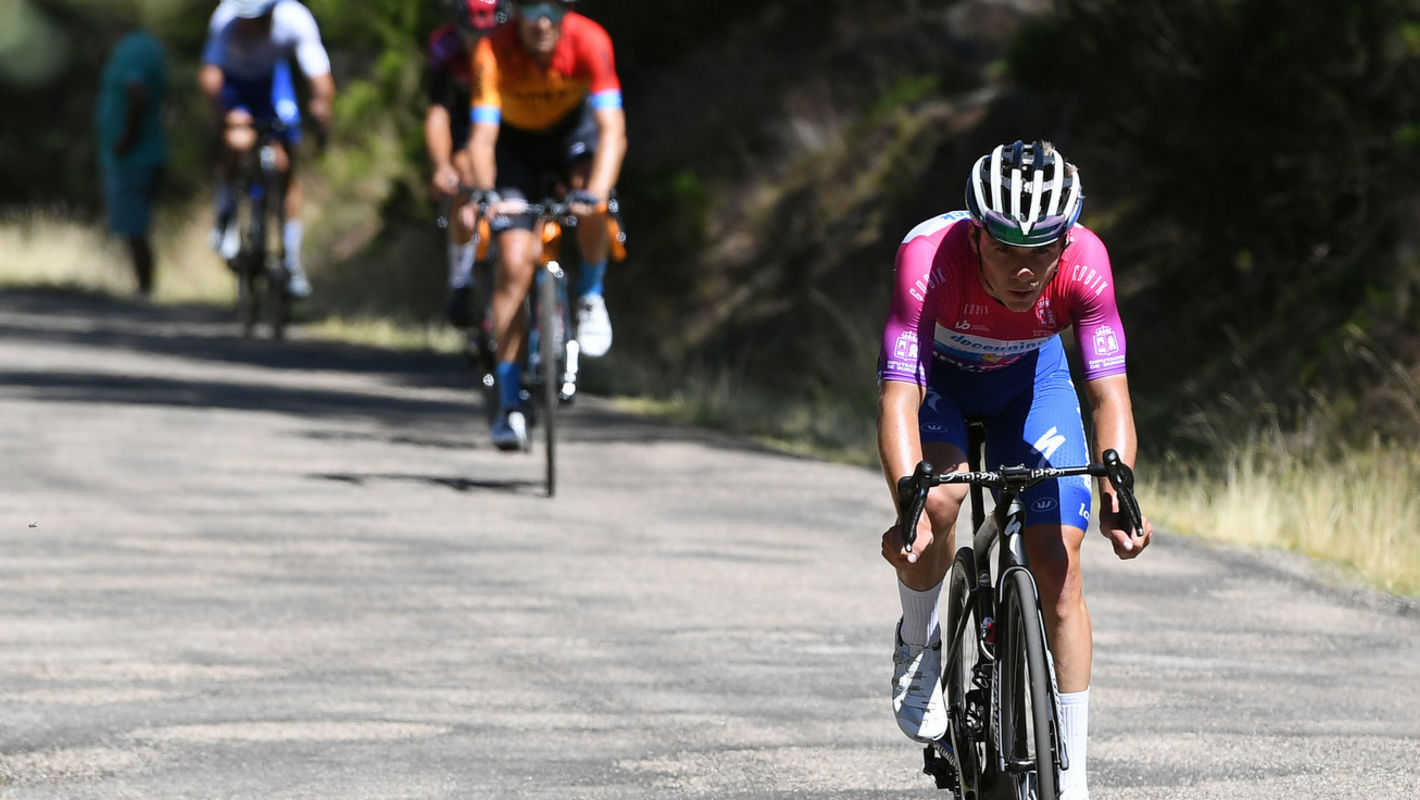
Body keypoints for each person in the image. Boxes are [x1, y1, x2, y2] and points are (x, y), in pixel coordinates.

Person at [877, 140, 1154, 800]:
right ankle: (919, 641)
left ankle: (1074, 779)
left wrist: (1119, 488)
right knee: (938, 508)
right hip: (941, 387)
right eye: (1005, 249)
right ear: (976, 235)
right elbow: (899, 395)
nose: (1025, 270)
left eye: (1041, 252)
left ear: (1066, 239)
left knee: (1058, 566)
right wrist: (908, 508)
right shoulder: (927, 259)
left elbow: (1110, 395)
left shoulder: (1087, 264)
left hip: (1030, 387)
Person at [462, 0, 627, 450]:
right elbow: (482, 136)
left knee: (595, 201)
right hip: (515, 150)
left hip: (573, 138)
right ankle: (510, 403)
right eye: (530, 7)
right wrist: (487, 191)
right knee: (513, 263)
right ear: (514, 12)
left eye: (551, 8)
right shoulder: (492, 51)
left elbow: (612, 129)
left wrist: (597, 192)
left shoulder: (590, 40)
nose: (541, 20)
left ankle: (590, 296)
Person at [199, 0, 334, 300]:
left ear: (272, 13)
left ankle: (292, 259)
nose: (247, 26)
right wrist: (222, 115)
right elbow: (210, 75)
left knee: (286, 164)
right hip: (234, 85)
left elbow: (319, 75)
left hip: (272, 83)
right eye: (243, 18)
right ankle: (226, 215)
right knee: (236, 142)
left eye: (256, 19)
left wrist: (321, 109)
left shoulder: (295, 19)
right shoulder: (224, 19)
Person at [424, 0, 509, 329]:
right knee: (464, 175)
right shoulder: (444, 47)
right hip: (465, 123)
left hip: (510, 122)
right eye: (471, 33)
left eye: (489, 33)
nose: (480, 41)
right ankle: (461, 280)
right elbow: (438, 110)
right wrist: (441, 164)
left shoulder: (517, 45)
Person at [95, 24, 168, 297]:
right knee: (133, 224)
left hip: (135, 155)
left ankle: (144, 288)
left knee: (135, 225)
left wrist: (127, 136)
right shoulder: (149, 46)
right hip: (141, 152)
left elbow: (138, 93)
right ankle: (141, 286)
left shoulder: (134, 50)